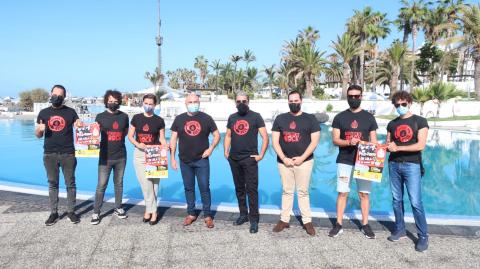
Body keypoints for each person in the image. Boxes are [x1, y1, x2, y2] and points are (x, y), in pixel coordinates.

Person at [329, 85, 378, 239]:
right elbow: (335, 140)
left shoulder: (369, 118)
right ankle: (338, 224)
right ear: (347, 97)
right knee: (343, 193)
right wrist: (349, 142)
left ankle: (365, 224)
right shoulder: (340, 117)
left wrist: (374, 149)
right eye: (351, 96)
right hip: (345, 161)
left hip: (364, 161)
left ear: (361, 96)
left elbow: (374, 142)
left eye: (357, 96)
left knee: (364, 194)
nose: (354, 99)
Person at [271, 90, 320, 236]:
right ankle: (284, 219)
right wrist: (284, 158)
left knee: (303, 191)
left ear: (301, 101)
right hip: (284, 162)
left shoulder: (310, 119)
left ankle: (307, 221)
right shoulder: (280, 119)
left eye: (296, 101)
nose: (294, 103)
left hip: (304, 162)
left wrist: (302, 158)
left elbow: (314, 142)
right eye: (291, 101)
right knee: (287, 190)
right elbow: (275, 142)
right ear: (288, 102)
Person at [386, 91, 429, 252]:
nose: (400, 107)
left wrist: (398, 147)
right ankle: (400, 229)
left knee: (416, 202)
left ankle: (423, 236)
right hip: (394, 165)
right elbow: (388, 144)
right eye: (397, 105)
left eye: (403, 104)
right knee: (396, 200)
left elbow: (420, 145)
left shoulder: (420, 121)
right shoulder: (392, 124)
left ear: (409, 103)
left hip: (412, 165)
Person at [170, 92, 220, 228]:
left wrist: (210, 149)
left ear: (199, 103)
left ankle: (208, 215)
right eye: (190, 102)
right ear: (186, 104)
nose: (193, 104)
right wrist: (172, 158)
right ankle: (191, 213)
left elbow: (217, 135)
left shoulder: (206, 118)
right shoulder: (179, 119)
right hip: (185, 160)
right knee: (188, 187)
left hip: (201, 160)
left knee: (204, 187)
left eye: (195, 102)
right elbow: (173, 139)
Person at [35, 85, 83, 226]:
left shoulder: (71, 112)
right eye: (54, 94)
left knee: (70, 184)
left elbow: (79, 127)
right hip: (49, 154)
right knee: (52, 184)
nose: (56, 97)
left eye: (60, 96)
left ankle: (71, 212)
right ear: (50, 94)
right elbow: (37, 135)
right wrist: (40, 130)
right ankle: (54, 213)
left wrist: (80, 125)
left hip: (68, 153)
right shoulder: (43, 113)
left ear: (64, 97)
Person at [224, 91, 268, 233]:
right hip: (234, 159)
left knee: (252, 190)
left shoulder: (256, 117)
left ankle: (254, 220)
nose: (241, 104)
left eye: (244, 101)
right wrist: (226, 151)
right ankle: (243, 215)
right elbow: (228, 135)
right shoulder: (232, 117)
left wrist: (261, 154)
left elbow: (265, 137)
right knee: (239, 189)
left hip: (250, 159)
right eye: (238, 101)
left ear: (248, 102)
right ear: (235, 103)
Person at [90, 90, 129, 225]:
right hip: (104, 157)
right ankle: (96, 212)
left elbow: (124, 133)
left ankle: (118, 208)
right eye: (110, 101)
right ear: (106, 101)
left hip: (121, 156)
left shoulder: (124, 117)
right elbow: (94, 135)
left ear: (119, 102)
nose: (112, 103)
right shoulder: (100, 117)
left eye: (115, 101)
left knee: (118, 184)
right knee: (101, 185)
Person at [128, 94, 167, 225]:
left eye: (151, 104)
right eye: (146, 103)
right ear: (142, 103)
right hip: (140, 154)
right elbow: (130, 136)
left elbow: (161, 138)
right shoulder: (137, 118)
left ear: (155, 105)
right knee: (146, 184)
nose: (148, 106)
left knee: (155, 185)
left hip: (155, 154)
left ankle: (148, 210)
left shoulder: (159, 120)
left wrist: (164, 146)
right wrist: (138, 144)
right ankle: (154, 211)